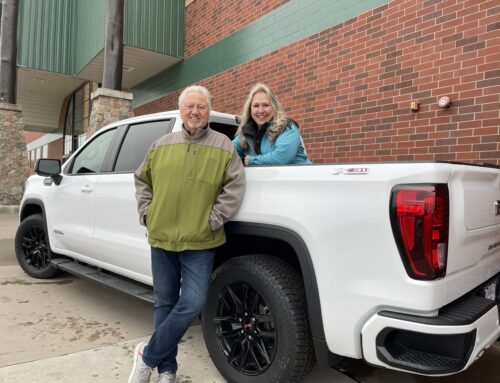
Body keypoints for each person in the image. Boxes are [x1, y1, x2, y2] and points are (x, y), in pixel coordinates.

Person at [130, 85, 245, 383]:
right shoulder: (161, 144)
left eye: (201, 107)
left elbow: (234, 187)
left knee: (193, 302)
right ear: (181, 111)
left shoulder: (223, 146)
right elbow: (142, 180)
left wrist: (215, 219)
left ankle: (148, 356)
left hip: (201, 241)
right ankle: (167, 369)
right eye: (190, 106)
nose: (195, 112)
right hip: (162, 238)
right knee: (164, 304)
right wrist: (147, 213)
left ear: (208, 111)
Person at [232, 83, 311, 166]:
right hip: (268, 178)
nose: (261, 110)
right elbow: (229, 151)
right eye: (256, 106)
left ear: (274, 107)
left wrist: (251, 161)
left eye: (266, 105)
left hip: (300, 177)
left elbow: (283, 156)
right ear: (250, 109)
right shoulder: (246, 134)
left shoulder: (287, 127)